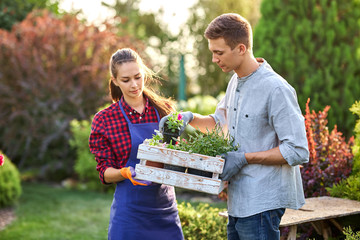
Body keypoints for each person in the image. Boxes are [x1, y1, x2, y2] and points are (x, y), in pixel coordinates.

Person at [159, 13, 309, 240]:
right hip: (239, 199)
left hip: (262, 201)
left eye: (218, 53)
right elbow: (220, 123)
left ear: (241, 48)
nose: (214, 59)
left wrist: (244, 157)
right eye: (212, 52)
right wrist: (187, 118)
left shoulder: (275, 88)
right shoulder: (235, 82)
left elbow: (297, 150)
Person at [89, 48, 184, 240]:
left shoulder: (165, 111)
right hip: (129, 214)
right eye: (126, 80)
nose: (134, 85)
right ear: (115, 80)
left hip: (165, 210)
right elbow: (105, 172)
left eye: (138, 77)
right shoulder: (105, 120)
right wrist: (124, 172)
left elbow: (178, 154)